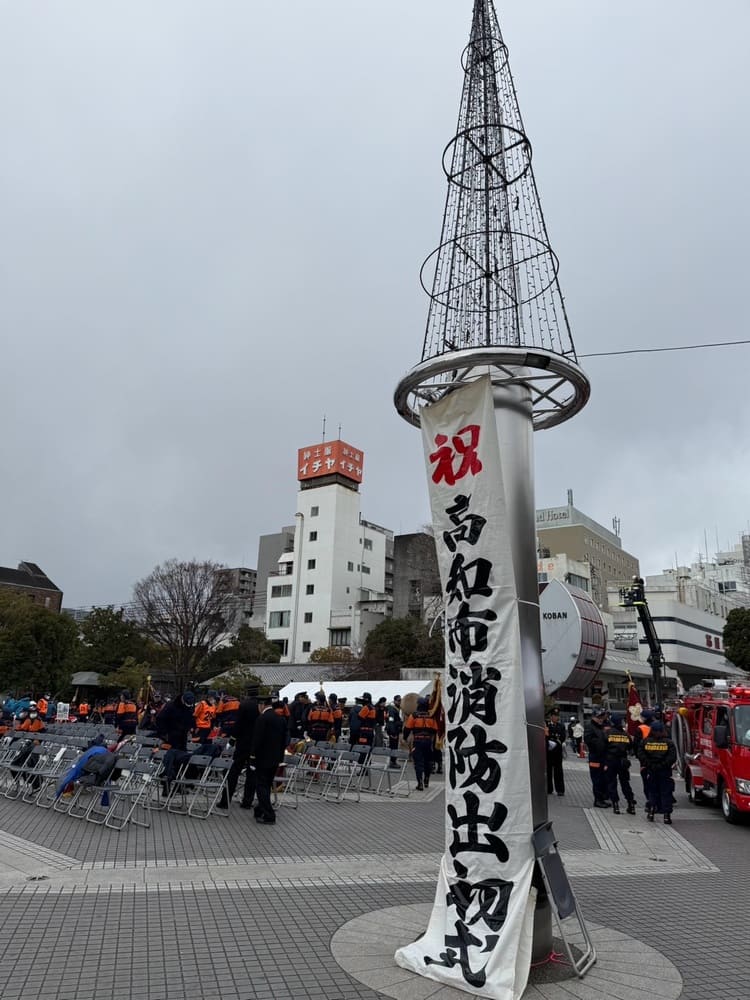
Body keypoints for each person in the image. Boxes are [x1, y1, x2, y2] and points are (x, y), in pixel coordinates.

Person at [249, 695, 288, 824]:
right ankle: (259, 809)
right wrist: (280, 757)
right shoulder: (280, 718)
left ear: (262, 705)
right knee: (267, 784)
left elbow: (257, 740)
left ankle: (269, 815)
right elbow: (284, 740)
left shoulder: (262, 718)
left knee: (261, 786)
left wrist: (252, 757)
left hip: (262, 758)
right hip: (275, 758)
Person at [221, 693, 261, 809]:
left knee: (234, 771)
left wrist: (232, 739)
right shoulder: (260, 706)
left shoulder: (244, 705)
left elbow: (238, 724)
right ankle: (247, 801)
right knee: (252, 774)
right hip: (256, 744)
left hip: (243, 743)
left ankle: (225, 800)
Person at [637, 719, 677, 824]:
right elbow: (672, 757)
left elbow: (640, 755)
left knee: (652, 792)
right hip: (665, 772)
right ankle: (666, 815)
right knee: (666, 793)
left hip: (651, 771)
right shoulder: (668, 742)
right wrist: (662, 765)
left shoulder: (645, 742)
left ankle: (651, 812)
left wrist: (650, 765)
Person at [403, 697, 438, 790]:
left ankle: (420, 783)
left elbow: (407, 728)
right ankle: (426, 780)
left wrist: (405, 738)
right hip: (428, 742)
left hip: (418, 741)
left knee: (418, 762)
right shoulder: (431, 715)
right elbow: (435, 730)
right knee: (428, 761)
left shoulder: (414, 715)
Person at [605, 714, 636, 815]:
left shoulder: (608, 733)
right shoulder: (625, 734)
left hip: (611, 761)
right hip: (623, 761)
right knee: (625, 783)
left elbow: (603, 746)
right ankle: (631, 804)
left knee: (612, 783)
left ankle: (616, 805)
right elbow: (631, 747)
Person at [584, 708, 611, 807]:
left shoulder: (602, 727)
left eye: (602, 717)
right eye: (598, 717)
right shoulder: (590, 726)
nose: (600, 719)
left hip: (603, 757)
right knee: (597, 780)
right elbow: (589, 740)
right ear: (593, 717)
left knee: (603, 779)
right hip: (595, 757)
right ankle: (598, 800)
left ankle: (602, 798)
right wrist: (601, 743)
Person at [545, 710, 566, 796]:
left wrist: (556, 742)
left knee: (558, 771)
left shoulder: (561, 726)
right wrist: (549, 742)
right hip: (549, 752)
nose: (557, 717)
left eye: (557, 716)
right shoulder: (547, 725)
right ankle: (549, 788)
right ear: (551, 717)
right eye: (555, 716)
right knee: (548, 771)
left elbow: (563, 737)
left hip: (557, 751)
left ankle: (560, 790)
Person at [385, 695, 403, 768]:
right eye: (398, 700)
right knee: (393, 747)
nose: (400, 702)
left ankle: (393, 761)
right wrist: (393, 733)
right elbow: (391, 721)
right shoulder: (392, 709)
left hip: (396, 730)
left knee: (394, 746)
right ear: (394, 701)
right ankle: (392, 762)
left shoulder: (397, 709)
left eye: (400, 700)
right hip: (394, 731)